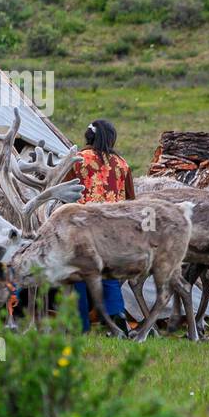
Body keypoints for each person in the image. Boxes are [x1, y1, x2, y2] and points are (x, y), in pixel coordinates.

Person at [68, 118, 134, 335]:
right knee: (108, 274)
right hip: (112, 230)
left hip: (81, 229)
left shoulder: (77, 161)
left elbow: (64, 194)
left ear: (88, 136)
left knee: (79, 274)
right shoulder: (122, 164)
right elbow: (131, 202)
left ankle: (81, 325)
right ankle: (118, 317)